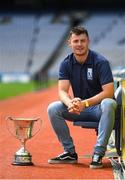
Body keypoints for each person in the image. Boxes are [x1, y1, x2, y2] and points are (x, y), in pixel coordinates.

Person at [47, 26, 117, 169]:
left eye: (82, 41)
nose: (79, 44)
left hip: (99, 109)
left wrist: (84, 103)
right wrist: (70, 103)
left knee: (109, 103)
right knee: (53, 108)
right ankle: (69, 152)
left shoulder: (100, 62)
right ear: (70, 43)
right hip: (79, 108)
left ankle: (98, 153)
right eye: (76, 41)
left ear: (88, 42)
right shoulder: (66, 63)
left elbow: (109, 92)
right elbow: (62, 90)